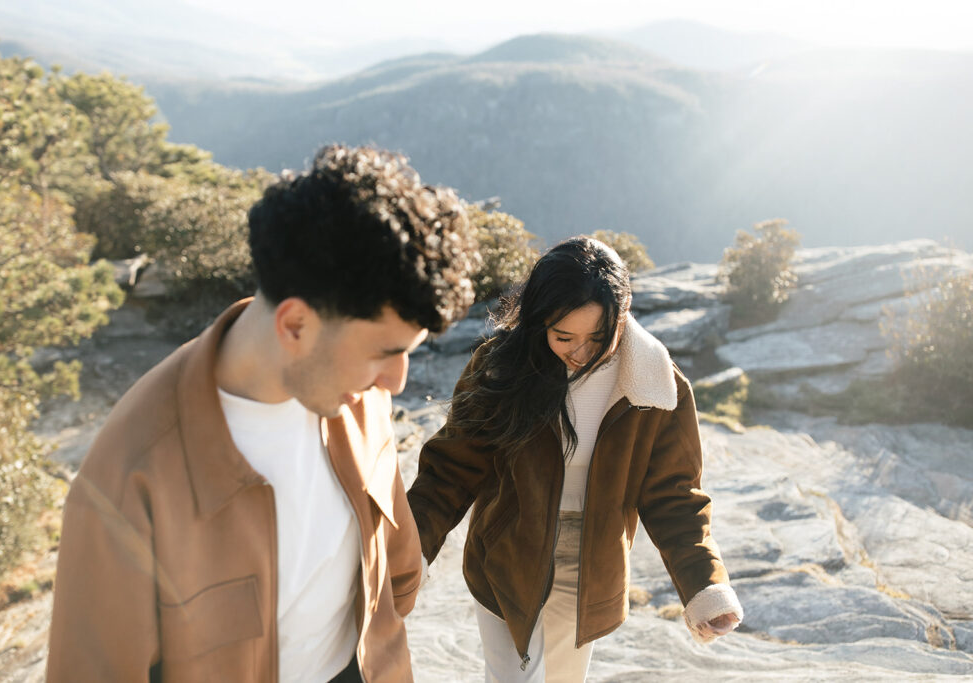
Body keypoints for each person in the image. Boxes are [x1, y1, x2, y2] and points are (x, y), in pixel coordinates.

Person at [46, 145, 478, 682]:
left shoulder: (358, 391)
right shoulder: (128, 475)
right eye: (384, 352)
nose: (396, 382)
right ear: (295, 326)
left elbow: (395, 555)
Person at [407, 237, 743, 682]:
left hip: (589, 566)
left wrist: (705, 585)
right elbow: (450, 470)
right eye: (563, 336)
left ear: (622, 319)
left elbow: (675, 497)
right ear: (537, 321)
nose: (581, 354)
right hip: (507, 555)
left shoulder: (657, 385)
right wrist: (407, 549)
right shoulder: (502, 367)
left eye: (598, 338)